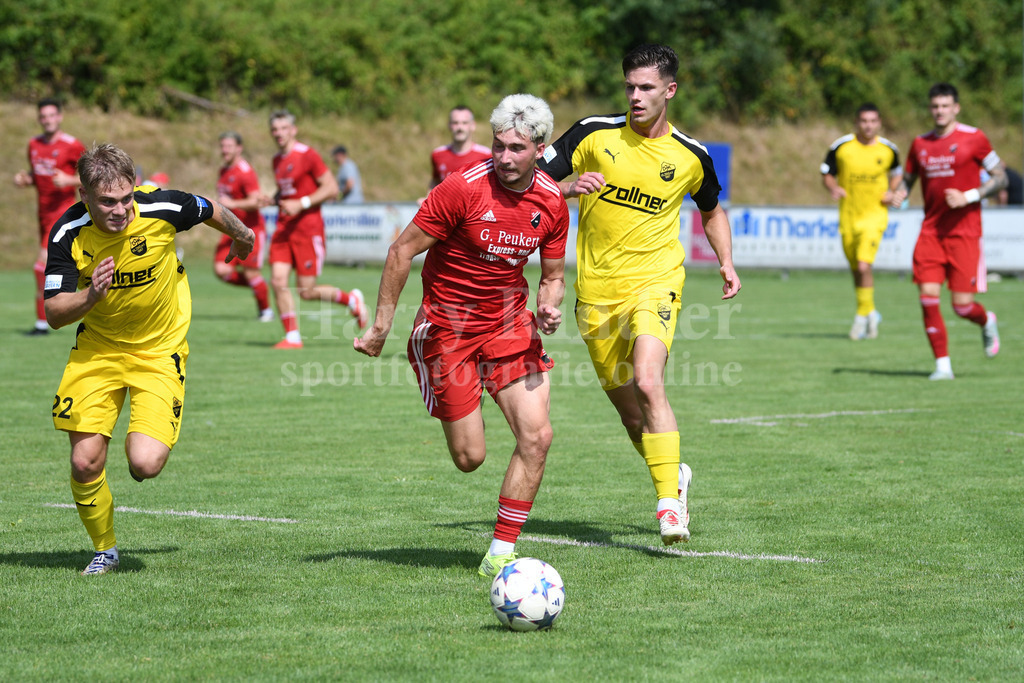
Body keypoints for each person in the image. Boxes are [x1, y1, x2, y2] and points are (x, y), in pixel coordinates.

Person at [354, 94, 569, 578]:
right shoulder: (461, 189)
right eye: (498, 146)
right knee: (470, 458)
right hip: (446, 328)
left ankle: (500, 554)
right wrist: (380, 327)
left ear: (540, 148)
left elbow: (553, 274)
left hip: (510, 324)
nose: (504, 157)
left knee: (537, 437)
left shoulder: (553, 201)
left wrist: (549, 303)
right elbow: (400, 251)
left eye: (516, 148)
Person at [536, 43, 741, 545]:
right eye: (629, 86)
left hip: (656, 282)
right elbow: (524, 179)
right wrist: (566, 189)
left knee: (649, 383)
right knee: (633, 417)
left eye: (646, 87)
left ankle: (669, 507)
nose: (635, 96)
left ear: (669, 90)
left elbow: (711, 210)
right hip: (596, 294)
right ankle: (675, 476)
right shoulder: (590, 133)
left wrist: (726, 260)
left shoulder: (692, 155)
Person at [44, 143, 255, 575]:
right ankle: (105, 549)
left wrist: (242, 234)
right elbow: (53, 313)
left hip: (159, 352)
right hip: (98, 350)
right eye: (107, 202)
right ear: (83, 195)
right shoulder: (68, 233)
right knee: (84, 461)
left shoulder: (160, 206)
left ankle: (137, 442)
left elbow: (208, 206)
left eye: (126, 197)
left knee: (145, 462)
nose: (121, 210)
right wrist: (91, 295)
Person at [891, 82, 1006, 380]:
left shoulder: (975, 138)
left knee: (962, 307)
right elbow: (908, 179)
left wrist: (969, 196)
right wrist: (900, 193)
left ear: (956, 108)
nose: (939, 111)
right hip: (930, 233)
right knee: (927, 297)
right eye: (935, 106)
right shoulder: (920, 144)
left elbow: (1001, 177)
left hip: (964, 233)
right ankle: (943, 366)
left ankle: (986, 321)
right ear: (930, 109)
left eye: (945, 106)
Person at [267, 110, 367, 349]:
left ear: (293, 130)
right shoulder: (276, 160)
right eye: (274, 129)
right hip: (284, 228)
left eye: (283, 128)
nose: (278, 133)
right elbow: (287, 193)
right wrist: (271, 199)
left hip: (307, 229)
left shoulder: (308, 155)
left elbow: (332, 188)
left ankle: (351, 299)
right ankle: (292, 337)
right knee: (278, 280)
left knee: (307, 291)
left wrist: (301, 204)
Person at [821, 103, 903, 340]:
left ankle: (861, 316)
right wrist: (833, 187)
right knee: (857, 269)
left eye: (873, 121)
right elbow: (827, 173)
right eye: (864, 121)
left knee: (864, 265)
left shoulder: (889, 149)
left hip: (875, 217)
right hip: (848, 217)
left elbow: (898, 173)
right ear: (857, 123)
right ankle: (870, 312)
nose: (868, 125)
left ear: (879, 123)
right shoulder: (842, 147)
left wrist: (891, 191)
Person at [13, 98, 86, 335]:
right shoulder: (34, 144)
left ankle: (44, 321)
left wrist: (69, 180)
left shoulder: (72, 145)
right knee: (50, 265)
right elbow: (39, 175)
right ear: (39, 119)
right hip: (42, 214)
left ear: (60, 117)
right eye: (43, 116)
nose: (48, 120)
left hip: (62, 212)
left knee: (40, 265)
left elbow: (92, 176)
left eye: (52, 115)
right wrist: (27, 179)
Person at [214, 132, 273, 321]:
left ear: (239, 148)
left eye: (229, 146)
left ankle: (266, 311)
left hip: (250, 228)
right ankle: (259, 286)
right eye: (223, 146)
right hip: (231, 229)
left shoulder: (245, 172)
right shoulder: (223, 171)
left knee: (251, 272)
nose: (225, 150)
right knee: (221, 270)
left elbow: (256, 201)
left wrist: (233, 204)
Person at [425, 105, 492, 193]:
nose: (460, 127)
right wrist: (427, 200)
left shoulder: (486, 155)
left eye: (464, 123)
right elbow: (435, 182)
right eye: (455, 123)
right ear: (449, 125)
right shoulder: (438, 154)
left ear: (473, 125)